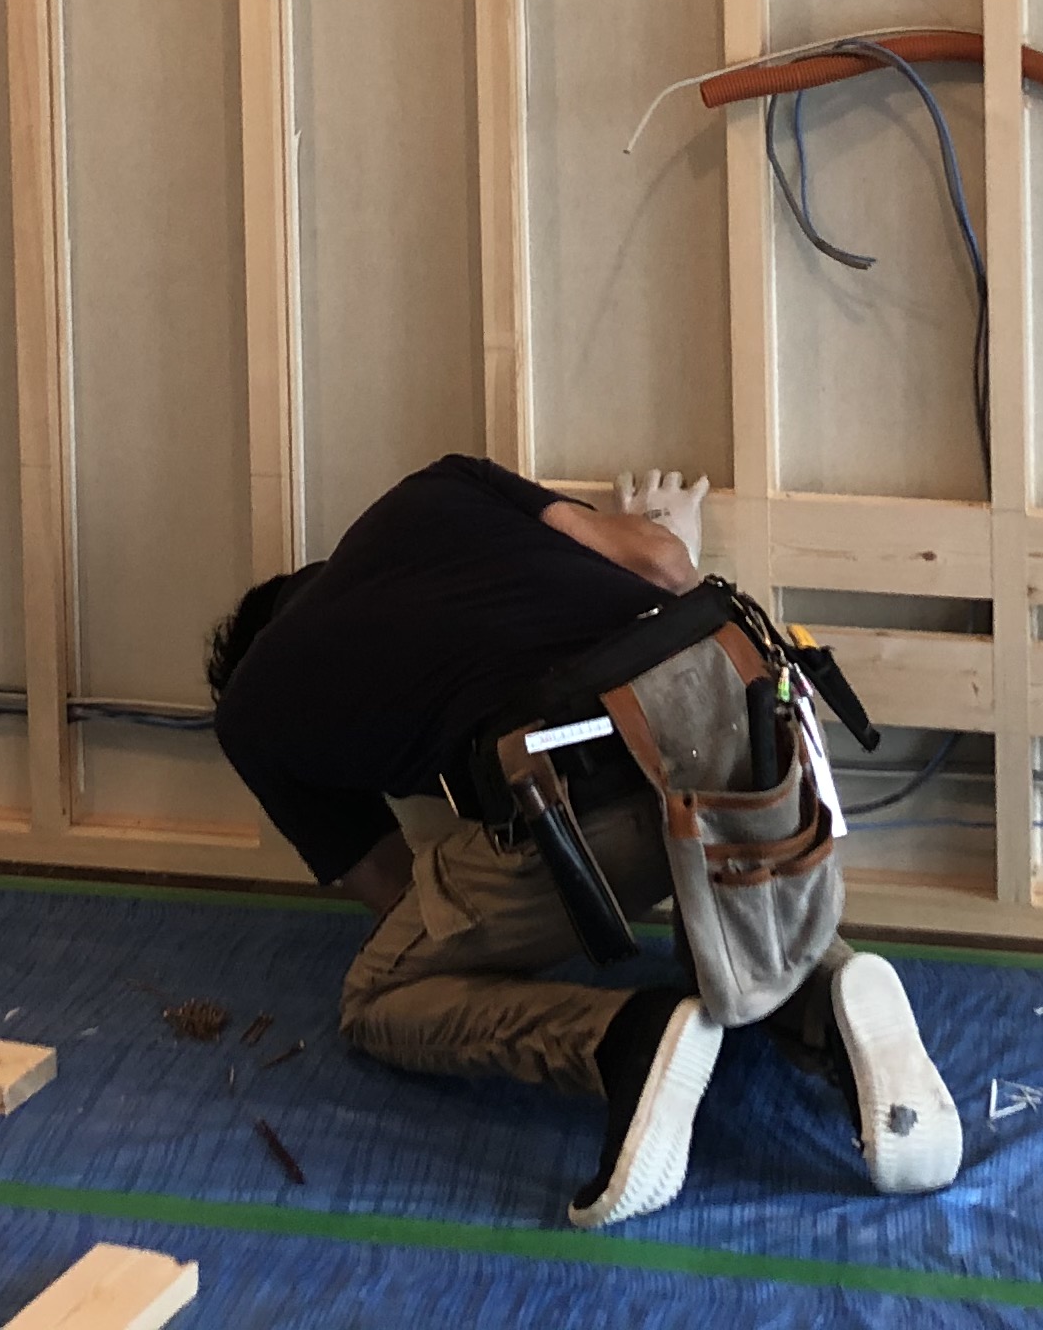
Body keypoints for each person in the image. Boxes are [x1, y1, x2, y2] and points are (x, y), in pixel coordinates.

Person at [205, 453, 958, 1227]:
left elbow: (401, 894)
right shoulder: (441, 486)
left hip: (580, 801)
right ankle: (829, 990)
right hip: (750, 731)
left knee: (377, 996)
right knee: (707, 870)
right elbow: (666, 566)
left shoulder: (251, 713)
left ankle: (622, 1041)